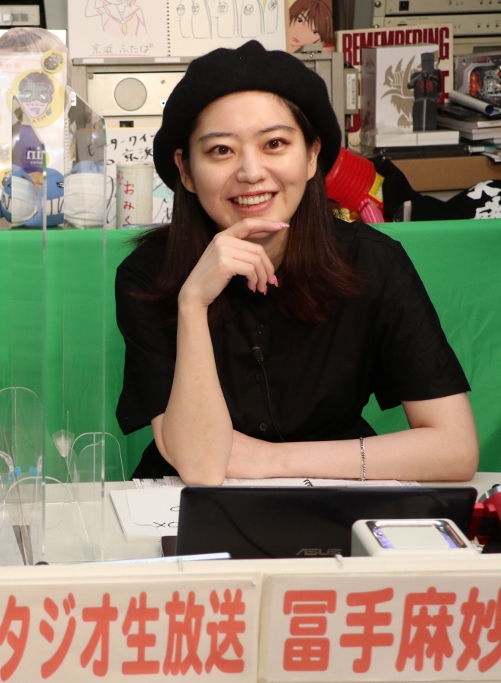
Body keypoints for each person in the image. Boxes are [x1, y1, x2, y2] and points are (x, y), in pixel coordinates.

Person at [115, 42, 479, 485]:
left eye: (275, 144)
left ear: (310, 156)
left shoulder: (373, 262)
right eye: (221, 151)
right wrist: (193, 302)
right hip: (183, 509)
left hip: (337, 498)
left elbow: (455, 449)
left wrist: (272, 461)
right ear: (186, 170)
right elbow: (203, 468)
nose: (251, 172)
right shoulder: (147, 275)